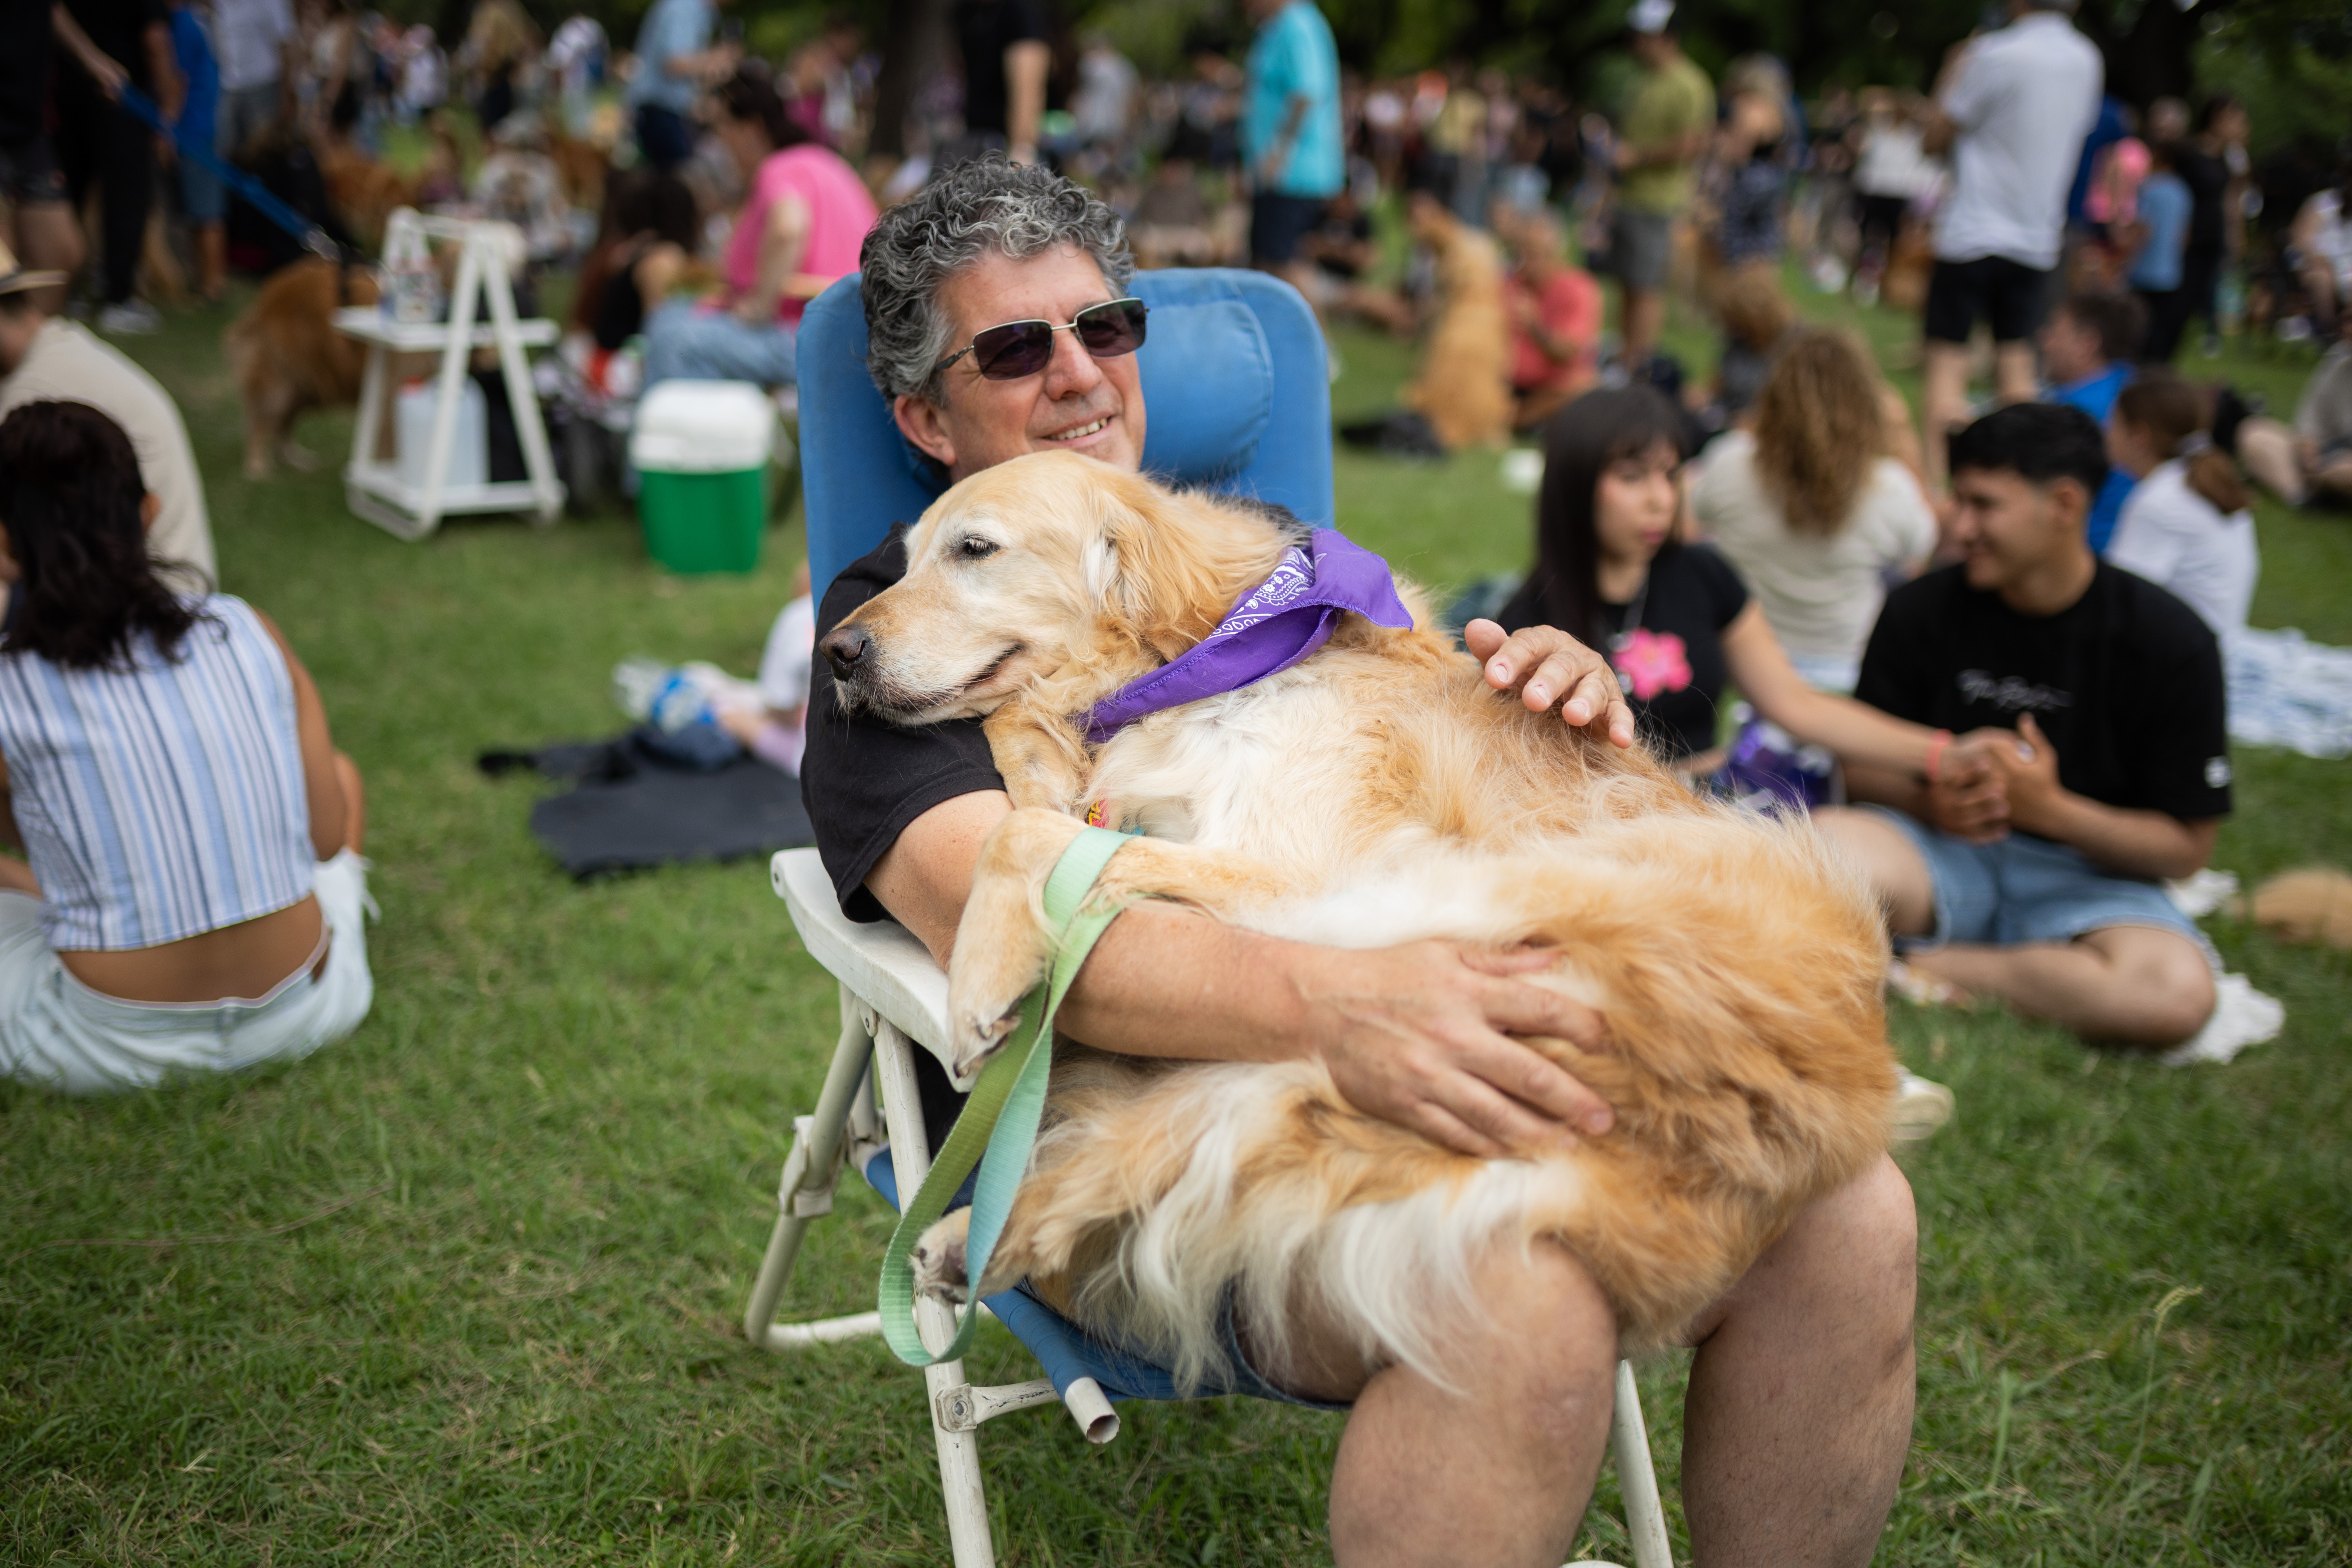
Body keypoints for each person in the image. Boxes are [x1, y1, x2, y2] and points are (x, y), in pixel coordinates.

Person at [813, 158, 1919, 1568]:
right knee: (1515, 1287)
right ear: (922, 414)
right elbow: (1024, 917)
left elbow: (1437, 802)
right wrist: (1343, 1002)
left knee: (1850, 1209)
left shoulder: (1276, 574)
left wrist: (1560, 719)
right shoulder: (892, 640)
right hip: (1140, 1142)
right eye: (1018, 348)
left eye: (1108, 329)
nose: (1082, 378)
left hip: (1451, 1024)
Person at [1817, 402, 2229, 1049]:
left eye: (1984, 505)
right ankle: (1977, 964)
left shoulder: (2171, 641)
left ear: (2064, 505)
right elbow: (1860, 767)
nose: (1959, 523)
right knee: (1809, 857)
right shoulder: (1920, 609)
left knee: (2175, 994)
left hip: (2093, 883)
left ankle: (1917, 965)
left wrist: (2054, 811)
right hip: (1934, 849)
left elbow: (2186, 846)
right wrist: (1935, 800)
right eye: (1959, 500)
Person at [0, 401, 372, 1094]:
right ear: (148, 512)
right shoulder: (248, 630)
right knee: (342, 778)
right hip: (308, 1008)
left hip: (104, 1045)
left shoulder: (10, 688)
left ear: (6, 544)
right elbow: (324, 842)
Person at [1498, 383, 1944, 775]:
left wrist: (1942, 753)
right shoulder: (1531, 620)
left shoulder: (1703, 574)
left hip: (1711, 803)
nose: (1660, 499)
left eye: (1671, 475)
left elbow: (1795, 704)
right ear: (1574, 487)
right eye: (1632, 478)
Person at [1918, 0, 2103, 489]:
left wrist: (1951, 72)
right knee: (2017, 371)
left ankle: (1942, 491)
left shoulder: (1993, 54)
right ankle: (2016, 489)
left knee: (1946, 368)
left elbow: (1935, 137)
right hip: (2036, 236)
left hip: (1971, 232)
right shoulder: (2087, 59)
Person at [1693, 330, 1936, 692]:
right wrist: (1904, 439)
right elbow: (1924, 546)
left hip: (1745, 660)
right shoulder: (1889, 486)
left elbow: (1691, 523)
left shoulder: (1729, 461)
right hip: (1844, 663)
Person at [641, 70, 875, 392]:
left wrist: (758, 307)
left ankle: (669, 439)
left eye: (722, 126)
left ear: (752, 127)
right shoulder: (817, 162)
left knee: (673, 339)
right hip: (849, 334)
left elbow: (788, 228)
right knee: (669, 319)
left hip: (811, 338)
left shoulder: (778, 169)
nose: (717, 141)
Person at [0, 242, 215, 585]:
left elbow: (16, 556)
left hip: (139, 607)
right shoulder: (64, 349)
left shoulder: (32, 398)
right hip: (169, 596)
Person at [52, 0, 183, 336]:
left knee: (69, 196)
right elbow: (156, 42)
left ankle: (68, 291)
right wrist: (166, 116)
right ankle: (119, 297)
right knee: (126, 199)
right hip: (123, 97)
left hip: (70, 90)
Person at [2104, 374, 2258, 639]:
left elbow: (2115, 605)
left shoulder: (2160, 501)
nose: (2105, 430)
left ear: (2139, 436)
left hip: (2185, 661)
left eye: (2114, 423)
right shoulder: (2207, 482)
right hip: (2215, 645)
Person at [1609, 0, 1713, 372]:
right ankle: (1624, 357)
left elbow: (1694, 142)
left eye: (1646, 37)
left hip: (1659, 201)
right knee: (1627, 282)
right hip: (1629, 196)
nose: (1638, 43)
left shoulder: (1689, 83)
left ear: (1669, 38)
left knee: (1647, 286)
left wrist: (1638, 157)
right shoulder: (1640, 79)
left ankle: (1639, 365)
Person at [1240, 0, 1343, 301]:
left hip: (1294, 172)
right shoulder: (1275, 27)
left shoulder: (1298, 24)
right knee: (1266, 268)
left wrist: (1278, 152)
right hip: (1277, 173)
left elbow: (1306, 93)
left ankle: (1321, 348)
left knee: (1285, 267)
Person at [2036, 289, 2143, 552]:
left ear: (2087, 344)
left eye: (2055, 331)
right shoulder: (2132, 386)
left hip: (2081, 554)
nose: (2044, 340)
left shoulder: (2073, 414)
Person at [0, 3, 86, 314]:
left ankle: (25, 353)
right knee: (3, 263)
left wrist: (92, 60)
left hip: (26, 124)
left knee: (61, 256)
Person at [1496, 204, 1599, 430]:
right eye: (1522, 254)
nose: (1528, 264)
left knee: (1582, 387)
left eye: (1537, 255)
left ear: (1557, 253)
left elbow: (1567, 352)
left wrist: (1535, 327)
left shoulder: (1578, 288)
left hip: (1551, 389)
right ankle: (1512, 419)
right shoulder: (1507, 285)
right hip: (1505, 383)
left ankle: (1515, 420)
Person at [2173, 95, 2247, 359]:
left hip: (2212, 237)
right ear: (2217, 118)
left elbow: (2230, 200)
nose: (2241, 126)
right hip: (2188, 237)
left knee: (2205, 293)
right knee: (2179, 300)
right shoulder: (2190, 155)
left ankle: (2199, 339)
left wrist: (2234, 234)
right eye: (2235, 119)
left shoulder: (2227, 159)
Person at [2235, 343, 2352, 508]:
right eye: (2346, 320)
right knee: (2254, 432)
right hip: (2325, 456)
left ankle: (2320, 488)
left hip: (2344, 464)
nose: (2348, 327)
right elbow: (2310, 424)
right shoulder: (2338, 360)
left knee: (2343, 473)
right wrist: (2308, 450)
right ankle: (2300, 496)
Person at [624, 0, 735, 172]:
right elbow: (674, 64)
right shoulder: (684, 7)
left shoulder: (695, 10)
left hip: (661, 113)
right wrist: (717, 58)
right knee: (676, 185)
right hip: (659, 114)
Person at [167, 0, 226, 304]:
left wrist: (167, 129)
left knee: (205, 211)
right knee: (199, 209)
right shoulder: (197, 20)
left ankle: (212, 284)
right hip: (203, 124)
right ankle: (203, 280)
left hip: (195, 129)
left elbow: (179, 79)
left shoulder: (181, 23)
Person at [951, 0, 1050, 167]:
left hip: (1008, 149)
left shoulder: (1019, 11)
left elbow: (1027, 90)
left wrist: (1022, 151)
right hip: (978, 142)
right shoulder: (965, 12)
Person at [2127, 141, 2195, 363]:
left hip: (2143, 270)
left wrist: (2126, 259)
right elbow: (2184, 235)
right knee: (2160, 329)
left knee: (2138, 329)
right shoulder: (2183, 191)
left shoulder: (2150, 188)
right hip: (2170, 272)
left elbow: (2143, 229)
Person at [211, 0, 293, 160]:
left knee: (263, 154)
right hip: (229, 88)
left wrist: (287, 94)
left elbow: (286, 46)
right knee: (229, 152)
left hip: (263, 87)